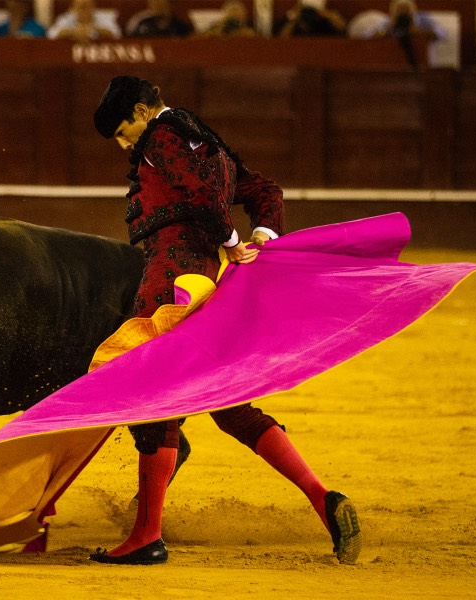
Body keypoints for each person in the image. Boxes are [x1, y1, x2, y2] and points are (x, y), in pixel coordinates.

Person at [88, 76, 361, 566]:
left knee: (155, 401)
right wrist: (263, 234)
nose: (127, 144)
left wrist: (236, 244)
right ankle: (324, 499)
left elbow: (204, 198)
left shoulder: (162, 137)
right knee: (229, 404)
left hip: (171, 278)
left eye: (125, 131)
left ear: (141, 110)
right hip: (207, 282)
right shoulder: (204, 138)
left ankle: (146, 535)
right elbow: (264, 189)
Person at [46, 0, 120, 42]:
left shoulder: (104, 17)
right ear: (73, 9)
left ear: (93, 7)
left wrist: (92, 30)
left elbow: (117, 33)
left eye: (88, 6)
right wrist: (73, 32)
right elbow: (51, 34)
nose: (85, 10)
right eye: (81, 7)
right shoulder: (66, 18)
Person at [274, 0, 346, 37]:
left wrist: (326, 14)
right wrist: (294, 17)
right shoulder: (294, 16)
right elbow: (281, 39)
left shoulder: (326, 19)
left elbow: (343, 30)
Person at [124, 0, 192, 38]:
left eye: (158, 1)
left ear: (169, 4)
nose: (154, 3)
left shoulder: (180, 26)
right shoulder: (141, 23)